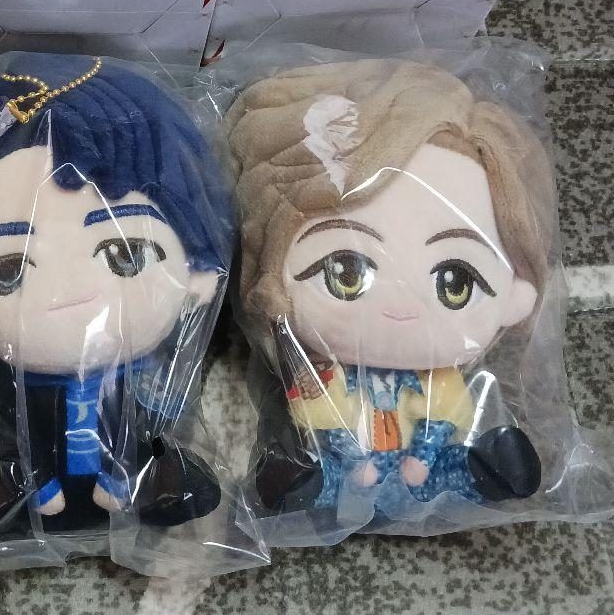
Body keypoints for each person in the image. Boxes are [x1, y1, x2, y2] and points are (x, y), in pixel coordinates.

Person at [0, 55, 230, 540]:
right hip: (37, 480)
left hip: (124, 475)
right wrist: (33, 479)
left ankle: (148, 483)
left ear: (195, 268)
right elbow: (12, 423)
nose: (72, 293)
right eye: (6, 271)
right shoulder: (10, 381)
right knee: (14, 454)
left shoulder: (144, 375)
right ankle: (6, 491)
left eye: (126, 255)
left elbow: (152, 414)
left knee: (153, 450)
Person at [225, 59, 547, 518]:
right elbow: (326, 418)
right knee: (319, 474)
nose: (400, 305)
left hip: (423, 470)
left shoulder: (439, 382)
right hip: (350, 470)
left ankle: (489, 469)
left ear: (515, 297)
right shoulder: (331, 375)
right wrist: (355, 459)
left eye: (454, 283)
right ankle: (298, 483)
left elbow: (442, 417)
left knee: (455, 467)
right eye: (346, 273)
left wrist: (423, 458)